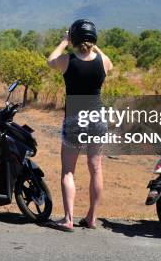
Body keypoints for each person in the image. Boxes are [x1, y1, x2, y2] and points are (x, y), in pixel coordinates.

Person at [46, 19, 113, 231]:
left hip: (74, 119)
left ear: (74, 38)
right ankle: (92, 218)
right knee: (96, 169)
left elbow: (50, 60)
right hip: (97, 119)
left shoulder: (68, 60)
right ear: (94, 38)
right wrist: (92, 43)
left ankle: (68, 219)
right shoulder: (103, 62)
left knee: (68, 171)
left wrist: (64, 41)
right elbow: (106, 59)